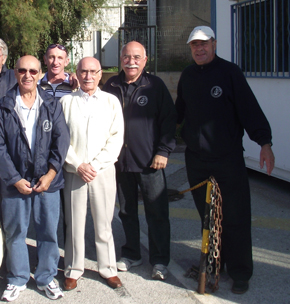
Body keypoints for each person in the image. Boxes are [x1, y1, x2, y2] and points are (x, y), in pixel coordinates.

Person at [175, 26, 275, 294]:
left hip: (228, 160)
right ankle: (214, 266)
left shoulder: (230, 73)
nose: (199, 49)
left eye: (204, 44)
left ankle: (240, 272)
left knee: (235, 218)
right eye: (194, 45)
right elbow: (178, 114)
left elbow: (249, 109)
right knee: (208, 219)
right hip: (197, 161)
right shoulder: (187, 75)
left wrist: (264, 142)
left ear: (214, 44)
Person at [0, 55, 70, 302]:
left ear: (39, 73)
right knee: (15, 233)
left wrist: (51, 173)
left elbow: (61, 140)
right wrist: (13, 179)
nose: (28, 75)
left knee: (48, 233)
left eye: (33, 71)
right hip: (16, 184)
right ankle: (17, 278)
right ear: (15, 73)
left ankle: (46, 277)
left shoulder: (52, 104)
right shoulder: (2, 106)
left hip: (48, 182)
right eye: (22, 70)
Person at [103, 41, 177, 280]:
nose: (131, 61)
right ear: (121, 59)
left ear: (145, 60)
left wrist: (163, 151)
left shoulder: (155, 86)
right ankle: (132, 253)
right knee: (126, 212)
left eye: (136, 57)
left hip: (149, 163)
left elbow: (168, 120)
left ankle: (159, 260)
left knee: (156, 212)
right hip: (120, 163)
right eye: (126, 56)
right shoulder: (111, 85)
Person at [60, 57, 124, 291]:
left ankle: (108, 268)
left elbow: (116, 137)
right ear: (76, 73)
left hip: (102, 171)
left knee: (104, 223)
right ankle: (73, 269)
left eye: (93, 72)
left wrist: (95, 165)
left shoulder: (111, 101)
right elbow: (60, 139)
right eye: (83, 71)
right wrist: (77, 164)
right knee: (74, 223)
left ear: (100, 74)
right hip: (74, 171)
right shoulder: (66, 102)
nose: (88, 76)